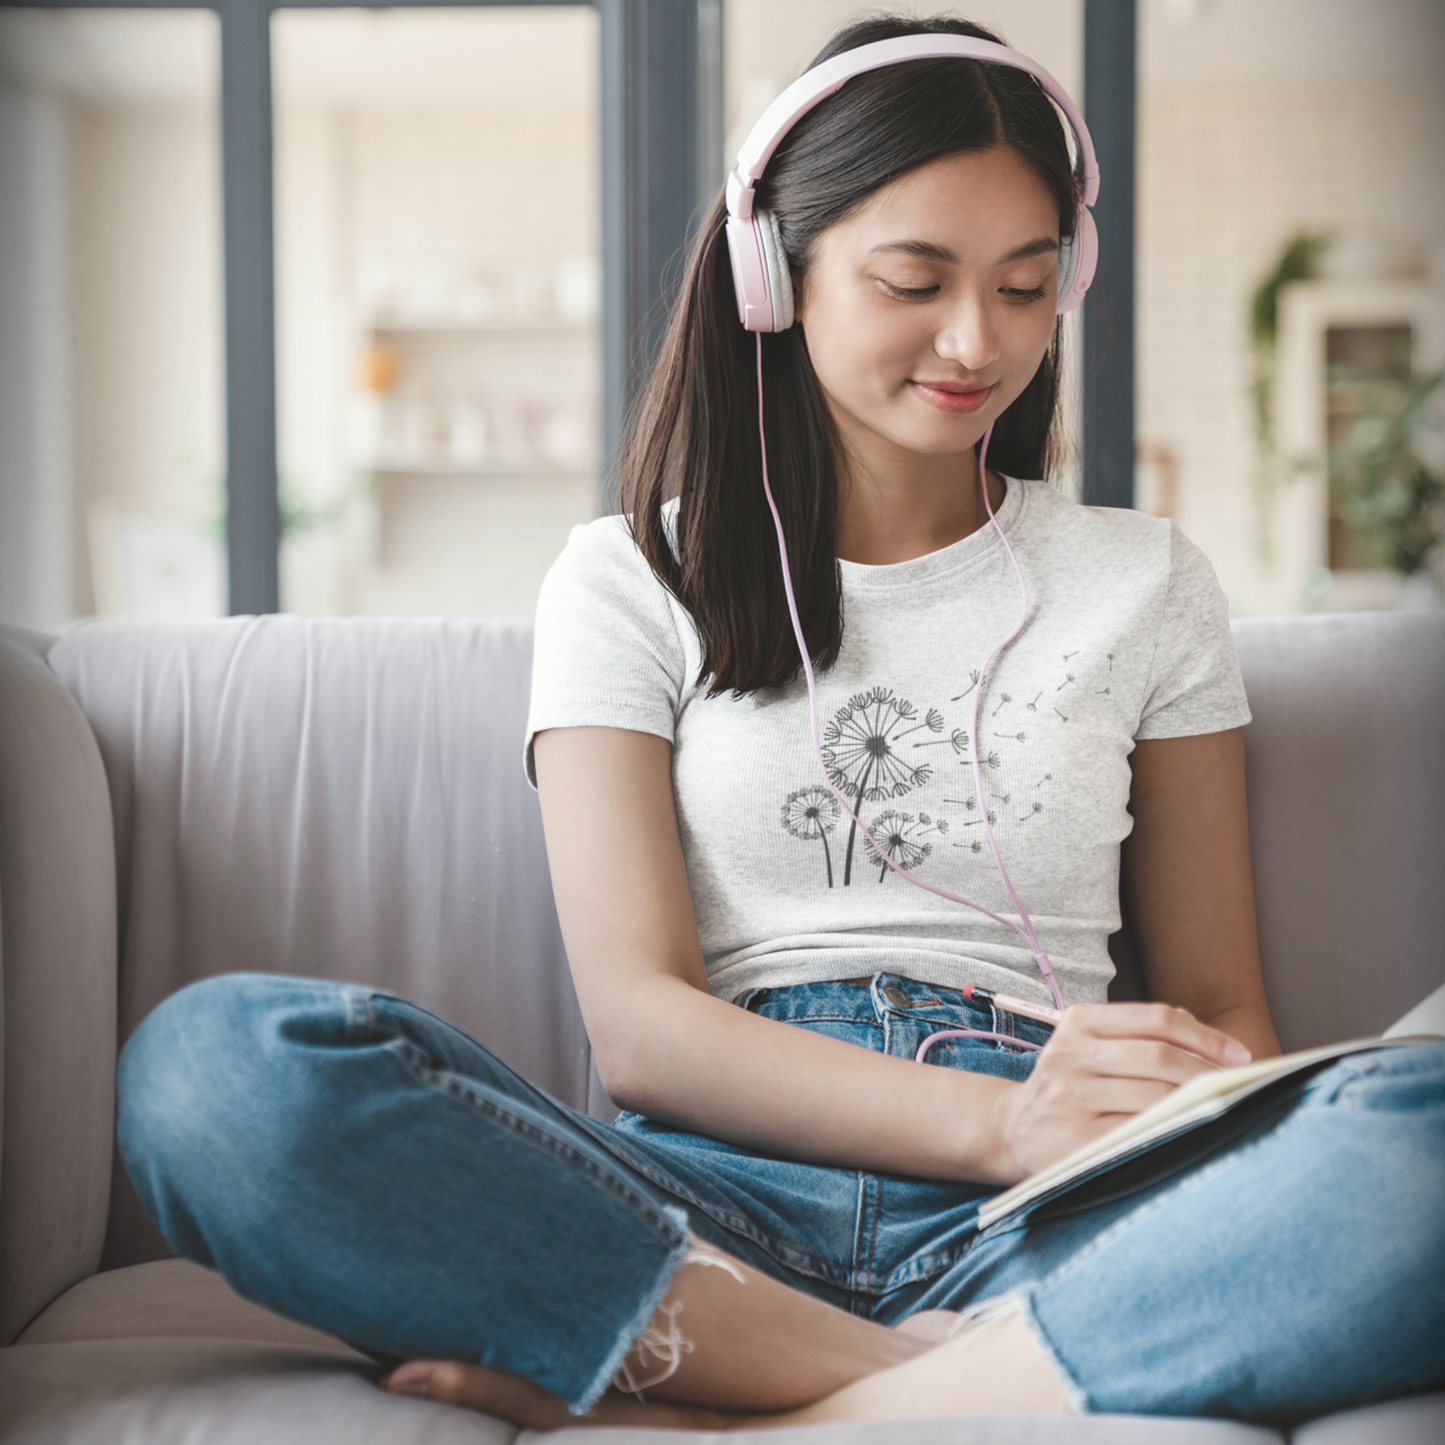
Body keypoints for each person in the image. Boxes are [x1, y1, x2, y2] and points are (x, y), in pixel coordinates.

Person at [116, 14, 1445, 1433]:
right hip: (705, 1197)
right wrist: (994, 1119)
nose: (975, 339)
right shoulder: (628, 580)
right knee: (208, 1076)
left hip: (1059, 1207)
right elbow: (640, 1028)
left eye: (1026, 284)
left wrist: (1187, 1090)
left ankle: (697, 1364)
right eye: (914, 280)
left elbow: (1227, 1008)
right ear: (774, 276)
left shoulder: (1148, 582)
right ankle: (899, 1384)